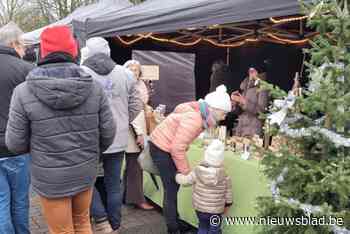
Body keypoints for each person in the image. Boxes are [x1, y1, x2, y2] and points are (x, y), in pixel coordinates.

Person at [5, 26, 116, 234]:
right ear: (74, 50)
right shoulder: (94, 87)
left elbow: (15, 143)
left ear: (43, 52)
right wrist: (91, 153)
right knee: (83, 222)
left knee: (61, 230)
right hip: (85, 169)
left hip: (49, 176)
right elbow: (109, 132)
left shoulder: (23, 92)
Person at [149, 85, 232, 234]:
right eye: (224, 113)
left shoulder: (197, 110)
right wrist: (186, 173)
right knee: (171, 190)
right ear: (214, 108)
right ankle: (173, 228)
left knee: (172, 189)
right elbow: (177, 148)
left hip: (161, 145)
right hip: (162, 149)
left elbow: (179, 110)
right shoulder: (195, 120)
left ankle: (175, 221)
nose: (225, 117)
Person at [81, 37, 143, 233]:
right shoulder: (126, 74)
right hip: (118, 138)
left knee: (86, 182)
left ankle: (101, 219)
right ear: (108, 52)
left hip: (91, 138)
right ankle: (114, 225)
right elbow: (136, 105)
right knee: (114, 185)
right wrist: (123, 119)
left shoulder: (81, 73)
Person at [0, 21, 34, 234]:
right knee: (20, 200)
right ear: (13, 43)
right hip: (18, 146)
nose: (24, 49)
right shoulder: (26, 69)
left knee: (1, 201)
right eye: (22, 45)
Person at [176, 140, 233, 234]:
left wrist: (177, 176)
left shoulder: (197, 171)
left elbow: (185, 181)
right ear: (221, 159)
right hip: (216, 210)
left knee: (202, 226)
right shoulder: (225, 176)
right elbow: (229, 194)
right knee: (214, 230)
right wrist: (228, 205)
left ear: (206, 156)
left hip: (200, 208)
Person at [123, 60, 154, 210]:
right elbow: (133, 112)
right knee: (135, 166)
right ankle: (137, 199)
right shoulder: (128, 86)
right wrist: (140, 133)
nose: (134, 72)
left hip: (137, 129)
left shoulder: (140, 85)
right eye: (131, 69)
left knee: (131, 165)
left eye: (136, 69)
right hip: (133, 131)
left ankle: (127, 195)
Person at [231, 67, 269, 137]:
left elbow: (262, 111)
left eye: (253, 71)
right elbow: (239, 112)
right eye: (249, 71)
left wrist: (244, 102)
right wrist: (235, 103)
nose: (251, 74)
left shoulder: (263, 88)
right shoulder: (245, 86)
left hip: (253, 129)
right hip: (241, 127)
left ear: (259, 73)